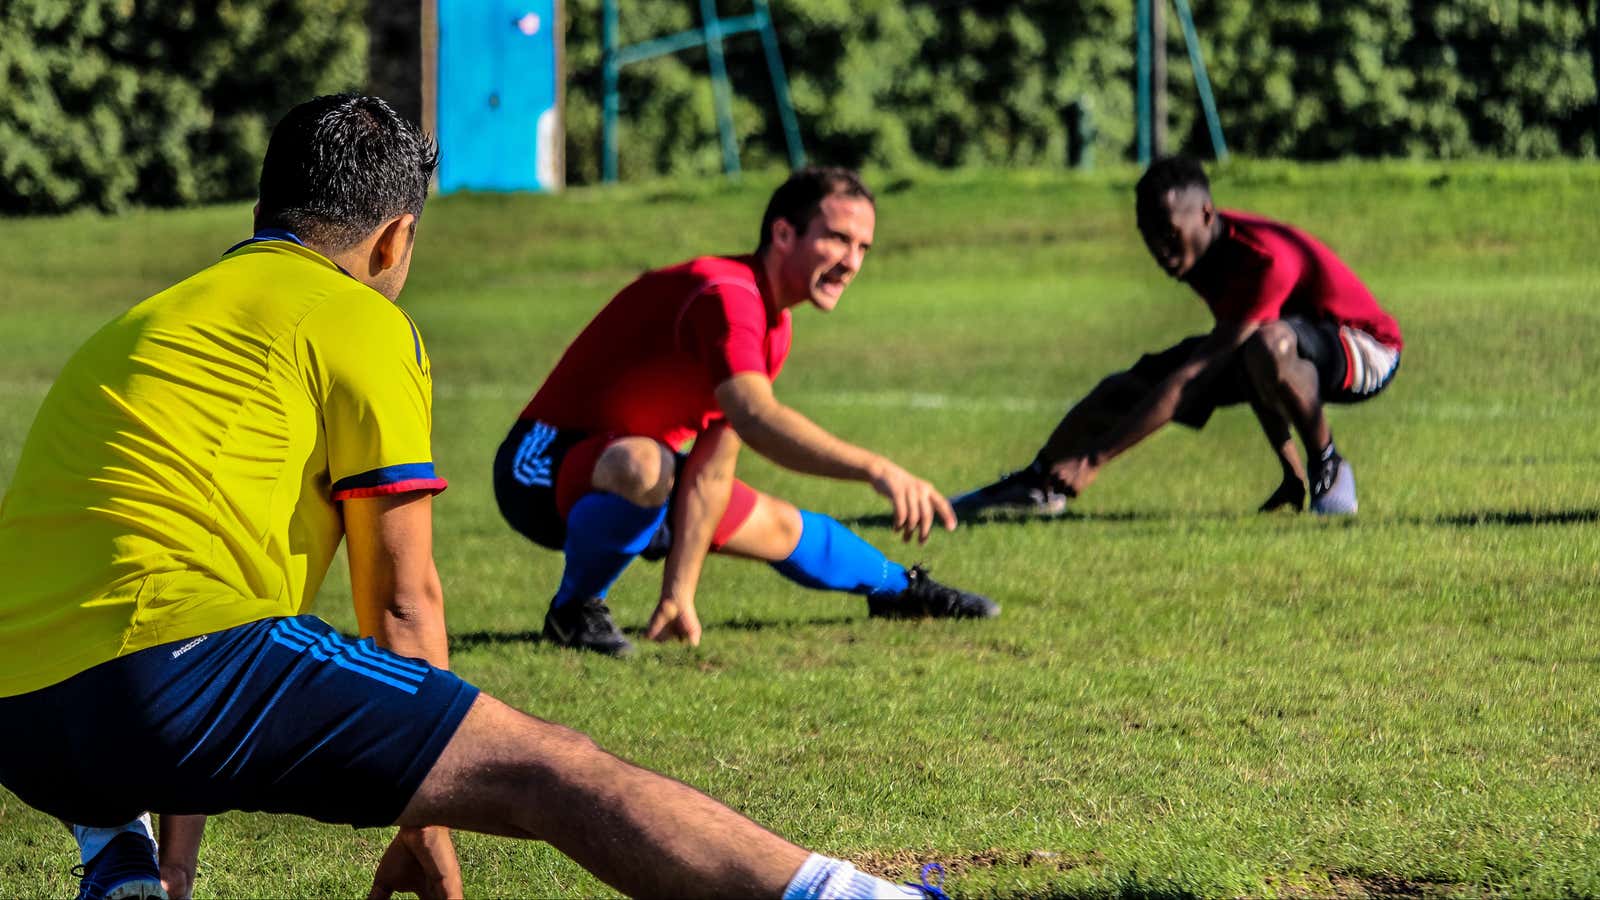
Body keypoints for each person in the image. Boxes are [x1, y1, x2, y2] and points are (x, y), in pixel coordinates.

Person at [0, 95, 946, 900]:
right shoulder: (360, 320)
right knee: (553, 770)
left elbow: (146, 579)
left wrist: (178, 867)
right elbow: (402, 603)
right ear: (396, 234)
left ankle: (118, 848)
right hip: (170, 675)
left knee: (153, 664)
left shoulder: (140, 324)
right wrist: (428, 820)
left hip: (22, 715)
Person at [494, 167, 999, 657]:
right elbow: (757, 417)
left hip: (649, 476)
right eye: (838, 239)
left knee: (778, 527)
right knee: (646, 465)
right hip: (539, 466)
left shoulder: (773, 327)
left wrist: (678, 593)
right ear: (783, 233)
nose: (852, 261)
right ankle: (574, 609)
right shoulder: (726, 295)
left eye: (863, 247)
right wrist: (876, 469)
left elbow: (713, 468)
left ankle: (899, 588)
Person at [952, 155, 1402, 517]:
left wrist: (1094, 460)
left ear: (1206, 214)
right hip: (1279, 347)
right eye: (1148, 237)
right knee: (1125, 390)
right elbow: (1250, 370)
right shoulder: (1200, 254)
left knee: (1258, 347)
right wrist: (1289, 475)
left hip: (1364, 349)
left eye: (1168, 234)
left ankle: (1329, 466)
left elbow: (1205, 375)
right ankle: (1037, 482)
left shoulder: (1264, 259)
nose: (1160, 250)